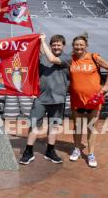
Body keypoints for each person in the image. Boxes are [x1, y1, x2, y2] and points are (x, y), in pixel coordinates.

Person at [40, 32, 108, 168]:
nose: (78, 47)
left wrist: (107, 86)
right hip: (77, 99)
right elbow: (52, 59)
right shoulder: (71, 59)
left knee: (91, 126)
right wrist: (42, 41)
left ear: (86, 46)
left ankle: (91, 153)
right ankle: (76, 148)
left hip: (94, 99)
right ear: (73, 46)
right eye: (76, 45)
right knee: (78, 126)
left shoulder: (94, 57)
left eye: (81, 45)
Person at [19, 34, 70, 165]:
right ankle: (28, 151)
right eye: (54, 44)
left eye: (59, 44)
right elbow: (29, 70)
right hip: (40, 98)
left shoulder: (67, 57)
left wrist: (42, 41)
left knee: (53, 127)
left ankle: (50, 151)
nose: (56, 47)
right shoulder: (42, 57)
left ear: (63, 46)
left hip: (58, 98)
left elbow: (52, 59)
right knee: (34, 125)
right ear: (51, 45)